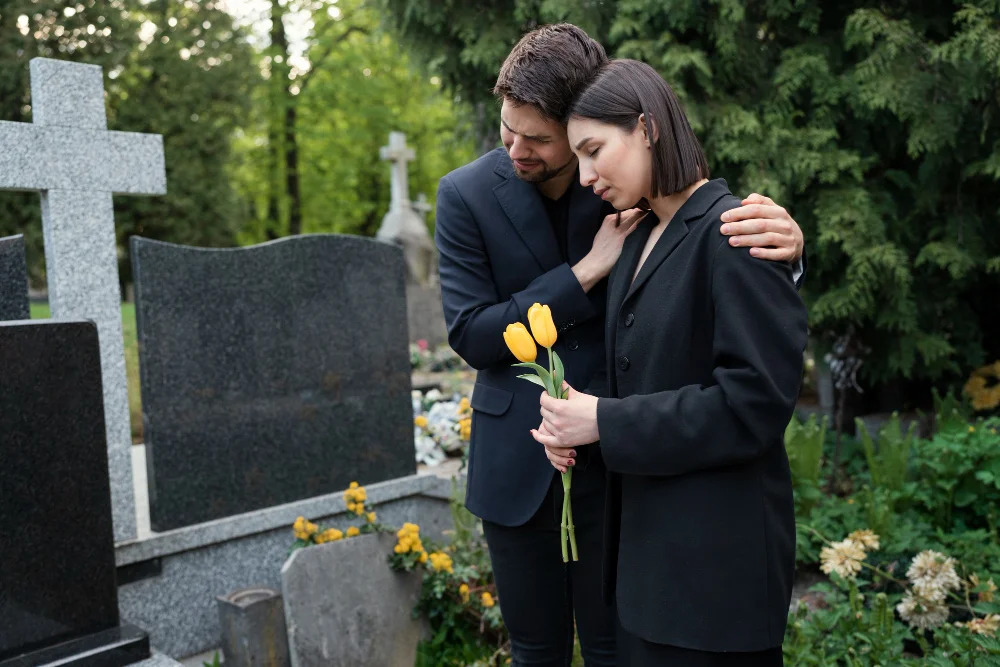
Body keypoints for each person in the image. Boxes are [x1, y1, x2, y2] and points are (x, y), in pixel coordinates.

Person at [436, 25, 805, 666]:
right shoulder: (466, 194)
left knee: (621, 649)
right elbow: (471, 332)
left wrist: (788, 252)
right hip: (526, 458)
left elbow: (712, 260)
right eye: (507, 129)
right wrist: (584, 274)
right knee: (536, 651)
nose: (518, 149)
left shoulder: (631, 185)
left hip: (633, 466)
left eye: (544, 139)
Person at [531, 58, 808, 666]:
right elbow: (646, 378)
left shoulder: (738, 232)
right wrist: (577, 429)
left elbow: (751, 406)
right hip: (647, 580)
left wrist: (606, 421)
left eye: (594, 149)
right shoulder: (637, 239)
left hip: (714, 583)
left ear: (647, 127)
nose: (584, 175)